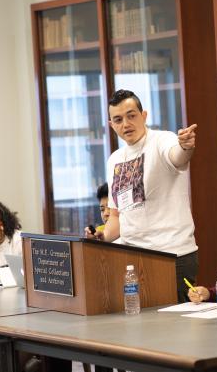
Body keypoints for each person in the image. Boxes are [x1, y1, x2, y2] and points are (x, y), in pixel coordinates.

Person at [84, 89, 198, 302]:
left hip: (172, 256)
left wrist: (186, 147)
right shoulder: (115, 160)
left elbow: (178, 157)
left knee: (174, 329)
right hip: (132, 258)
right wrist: (102, 237)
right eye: (118, 119)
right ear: (112, 125)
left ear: (144, 116)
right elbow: (117, 216)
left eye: (131, 116)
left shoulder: (162, 140)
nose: (125, 124)